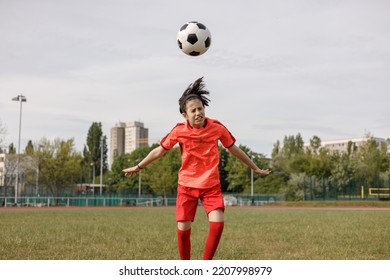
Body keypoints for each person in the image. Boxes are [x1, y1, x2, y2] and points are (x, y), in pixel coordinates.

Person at [122, 77, 271, 260]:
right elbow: (159, 151)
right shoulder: (179, 131)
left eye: (201, 108)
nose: (198, 113)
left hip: (211, 186)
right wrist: (138, 166)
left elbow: (234, 149)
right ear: (185, 115)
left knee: (218, 224)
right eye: (193, 110)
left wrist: (254, 167)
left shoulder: (216, 128)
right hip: (187, 186)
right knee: (183, 229)